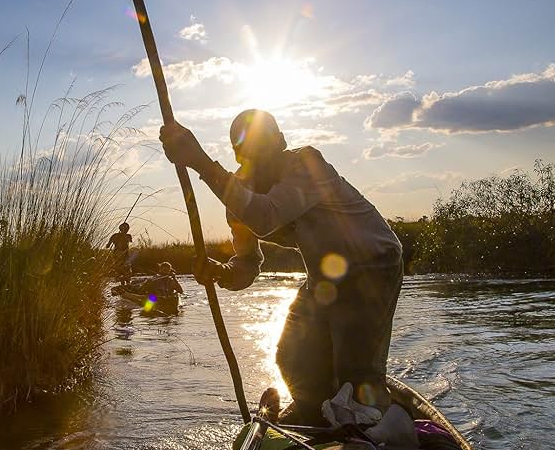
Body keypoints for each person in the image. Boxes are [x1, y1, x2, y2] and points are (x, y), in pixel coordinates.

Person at [160, 109, 403, 424]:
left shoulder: (308, 164)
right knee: (292, 358)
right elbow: (247, 265)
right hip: (324, 275)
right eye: (246, 150)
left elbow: (266, 216)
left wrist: (200, 163)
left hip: (372, 264)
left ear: (281, 142)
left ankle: (366, 415)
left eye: (264, 146)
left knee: (355, 372)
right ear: (238, 156)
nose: (257, 157)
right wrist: (221, 272)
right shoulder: (239, 196)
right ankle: (314, 413)